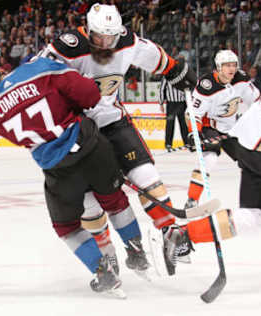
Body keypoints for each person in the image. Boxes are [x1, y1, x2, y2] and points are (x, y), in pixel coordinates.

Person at [0, 56, 134, 298]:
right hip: (86, 142)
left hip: (56, 164)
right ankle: (136, 248)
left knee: (66, 227)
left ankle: (102, 270)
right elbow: (83, 93)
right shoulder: (31, 72)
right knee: (114, 200)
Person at [39, 3, 197, 276]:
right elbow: (35, 74)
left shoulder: (128, 41)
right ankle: (107, 253)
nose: (106, 44)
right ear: (88, 30)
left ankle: (169, 230)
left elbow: (157, 58)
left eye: (110, 37)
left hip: (113, 122)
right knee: (89, 201)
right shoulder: (69, 46)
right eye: (99, 37)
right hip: (76, 133)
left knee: (146, 174)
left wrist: (176, 71)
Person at [175, 34, 261, 298]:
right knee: (208, 163)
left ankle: (183, 235)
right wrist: (196, 131)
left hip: (249, 141)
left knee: (254, 218)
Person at [184, 50, 260, 209]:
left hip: (232, 129)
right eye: (227, 66)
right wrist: (194, 133)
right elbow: (193, 112)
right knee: (209, 157)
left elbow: (258, 102)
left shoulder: (241, 79)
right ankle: (192, 200)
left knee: (251, 160)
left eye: (233, 65)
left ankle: (257, 198)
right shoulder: (207, 84)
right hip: (210, 126)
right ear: (218, 67)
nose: (231, 69)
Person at [159, 76, 189, 152]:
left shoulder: (182, 75)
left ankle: (187, 142)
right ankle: (168, 144)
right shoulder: (166, 76)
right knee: (170, 124)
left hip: (182, 103)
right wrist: (161, 103)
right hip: (171, 104)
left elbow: (188, 88)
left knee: (184, 124)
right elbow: (162, 89)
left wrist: (189, 102)